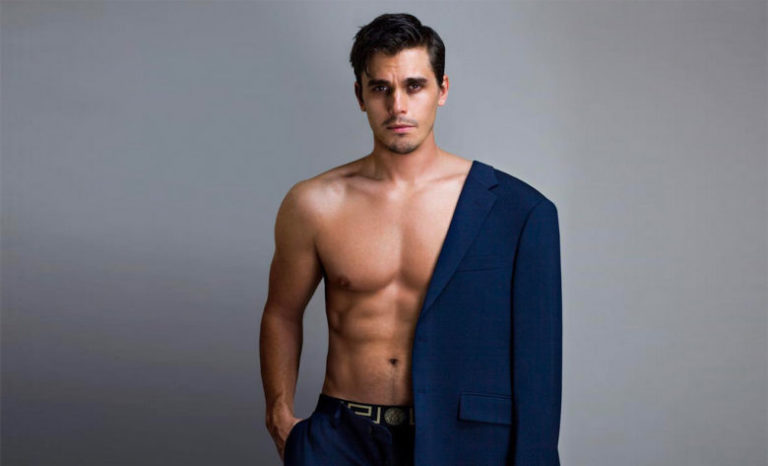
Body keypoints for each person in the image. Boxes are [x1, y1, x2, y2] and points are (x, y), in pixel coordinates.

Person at [260, 13, 562, 466]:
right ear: (360, 95)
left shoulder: (517, 210)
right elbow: (282, 313)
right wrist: (280, 416)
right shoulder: (314, 204)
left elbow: (539, 363)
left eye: (414, 86)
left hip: (463, 445)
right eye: (381, 88)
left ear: (442, 90)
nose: (397, 106)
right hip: (341, 439)